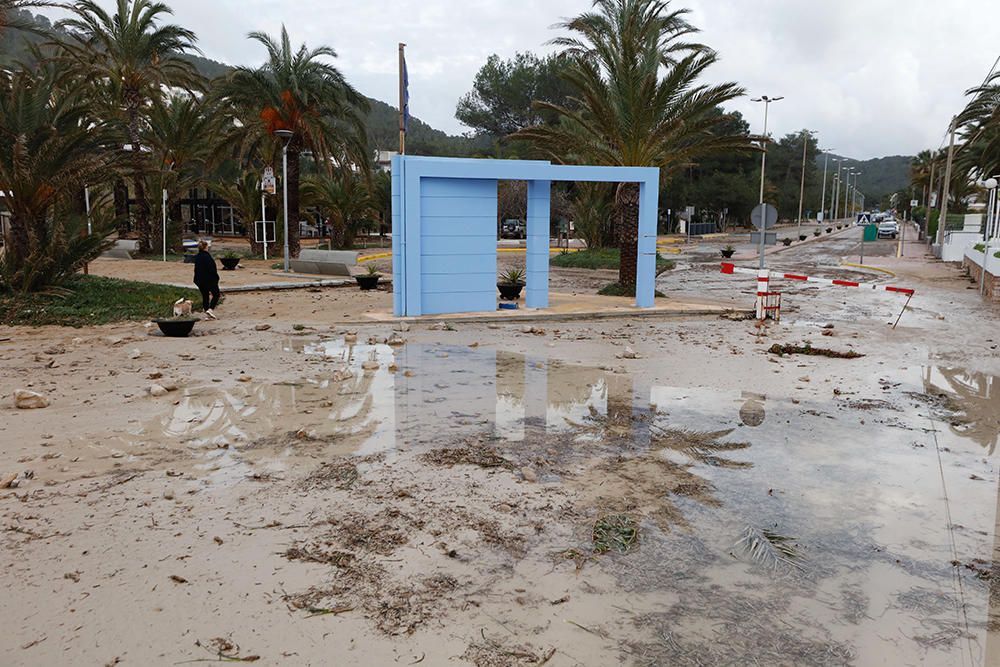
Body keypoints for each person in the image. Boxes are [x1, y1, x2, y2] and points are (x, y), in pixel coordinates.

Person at [193, 240, 220, 319]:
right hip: (209, 279)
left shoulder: (198, 256)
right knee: (216, 294)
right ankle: (210, 309)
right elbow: (212, 269)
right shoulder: (207, 257)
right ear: (205, 247)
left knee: (205, 296)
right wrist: (216, 278)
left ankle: (207, 311)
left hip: (199, 280)